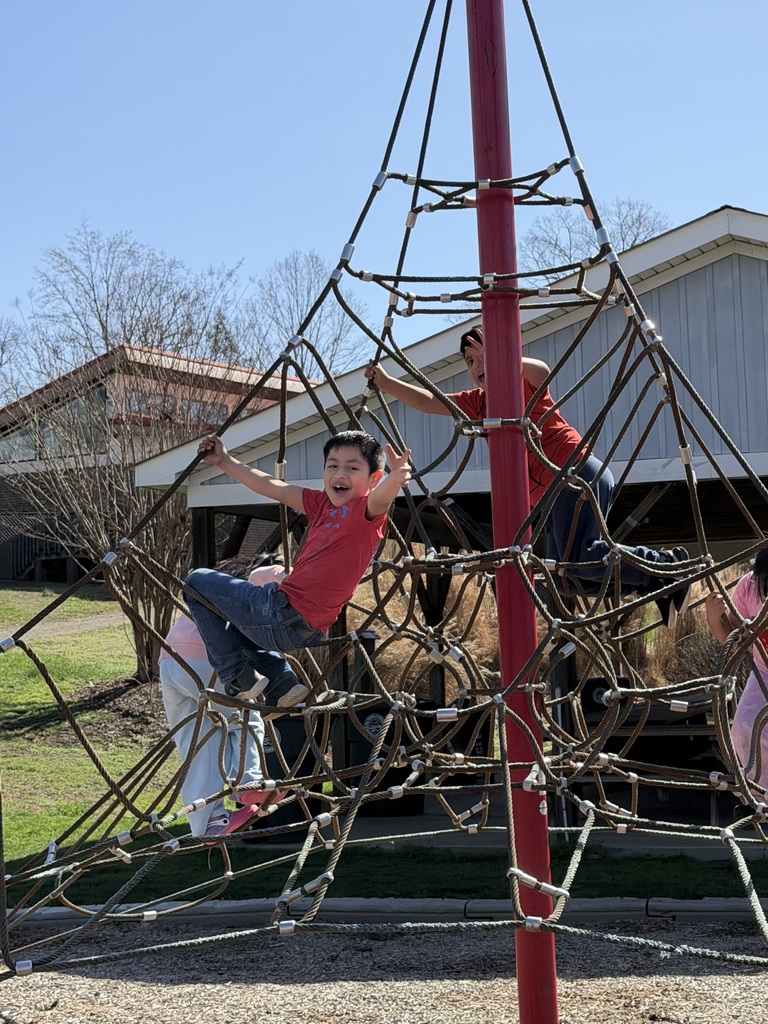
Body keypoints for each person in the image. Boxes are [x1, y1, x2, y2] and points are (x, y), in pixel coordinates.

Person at [365, 325, 692, 626]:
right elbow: (427, 400)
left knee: (581, 558)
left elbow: (542, 371)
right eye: (470, 361)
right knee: (565, 579)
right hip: (555, 494)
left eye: (484, 354)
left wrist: (504, 357)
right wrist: (385, 381)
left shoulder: (525, 384)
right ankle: (654, 582)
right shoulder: (478, 404)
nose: (477, 365)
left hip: (575, 474)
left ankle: (666, 564)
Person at [184, 429, 412, 711]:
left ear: (373, 478)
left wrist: (395, 478)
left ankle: (236, 675)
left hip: (282, 612)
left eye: (352, 468)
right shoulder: (322, 505)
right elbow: (271, 486)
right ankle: (281, 684)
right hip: (301, 629)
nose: (340, 474)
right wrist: (225, 461)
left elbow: (381, 499)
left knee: (196, 582)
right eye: (332, 466)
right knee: (229, 625)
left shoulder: (366, 513)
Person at [160, 558, 286, 838]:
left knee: (195, 743)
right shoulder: (238, 588)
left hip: (170, 662)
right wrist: (283, 572)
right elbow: (272, 577)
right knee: (245, 716)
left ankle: (208, 823)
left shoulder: (203, 593)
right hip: (207, 662)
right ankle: (248, 781)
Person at [705, 548, 768, 796]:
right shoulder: (749, 586)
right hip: (764, 672)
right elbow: (731, 639)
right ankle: (761, 794)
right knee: (744, 725)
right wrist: (714, 616)